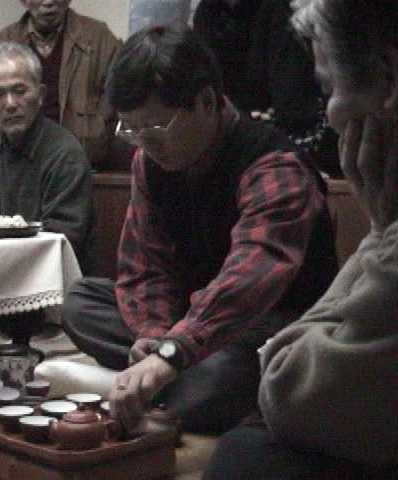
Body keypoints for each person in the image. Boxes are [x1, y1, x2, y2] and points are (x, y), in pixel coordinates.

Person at [61, 25, 337, 435]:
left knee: (228, 371)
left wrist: (174, 352)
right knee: (81, 302)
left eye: (154, 128)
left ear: (207, 101)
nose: (144, 145)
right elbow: (144, 265)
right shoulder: (149, 162)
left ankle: (169, 385)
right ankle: (174, 387)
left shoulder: (274, 167)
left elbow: (248, 282)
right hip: (191, 320)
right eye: (130, 130)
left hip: (266, 322)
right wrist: (154, 335)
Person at [204, 0, 398, 478]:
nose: (328, 117)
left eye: (328, 90)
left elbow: (288, 392)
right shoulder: (152, 169)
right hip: (210, 329)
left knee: (244, 454)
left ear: (388, 78)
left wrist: (381, 229)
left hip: (255, 328)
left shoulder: (273, 163)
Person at [0, 0, 120, 207]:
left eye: (19, 91)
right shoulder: (4, 40)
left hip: (77, 156)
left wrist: (98, 132)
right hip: (15, 156)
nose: (48, 2)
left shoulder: (99, 38)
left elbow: (119, 98)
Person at [0, 41, 94, 274]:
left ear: (41, 95)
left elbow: (61, 243)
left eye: (20, 91)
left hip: (53, 280)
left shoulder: (65, 154)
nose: (11, 104)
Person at [193, 0, 341, 177]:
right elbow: (213, 108)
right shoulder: (208, 13)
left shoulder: (284, 9)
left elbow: (294, 109)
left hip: (305, 146)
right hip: (246, 144)